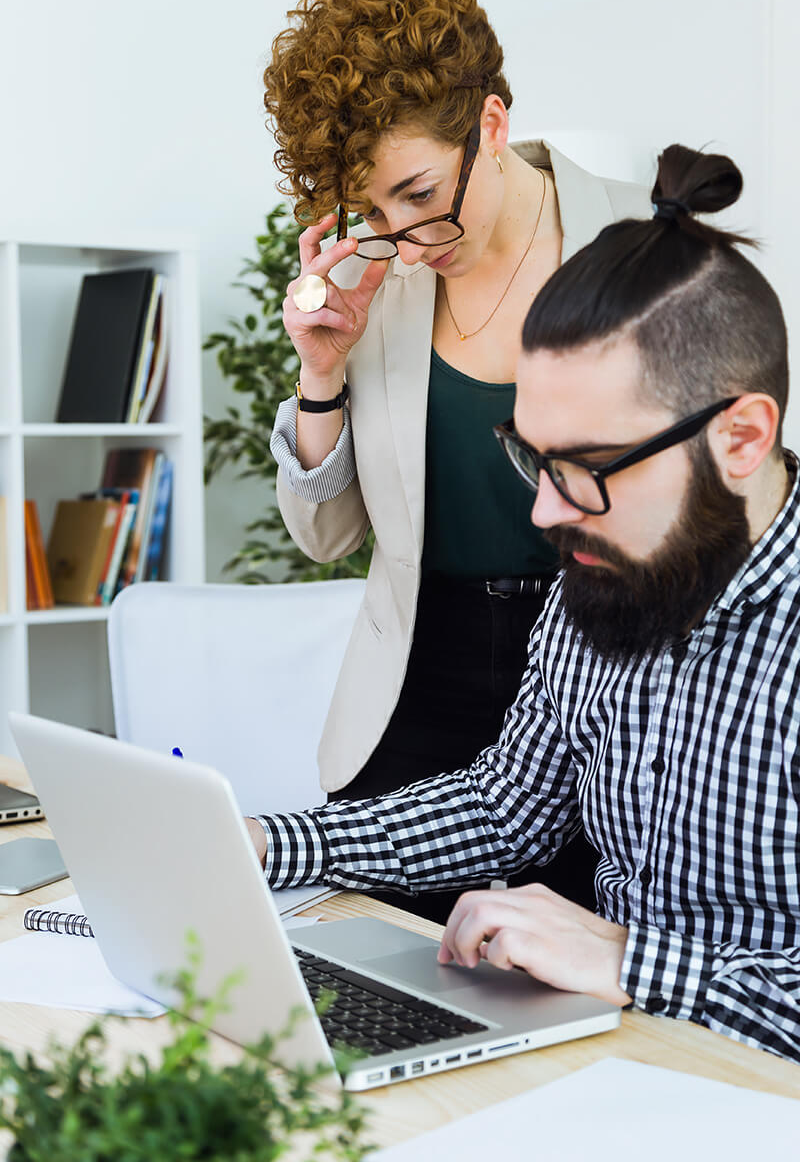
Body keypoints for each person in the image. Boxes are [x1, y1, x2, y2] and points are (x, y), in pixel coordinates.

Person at [248, 141, 800, 1064]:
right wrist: (264, 844)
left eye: (584, 470)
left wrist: (634, 960)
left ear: (741, 438)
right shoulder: (607, 574)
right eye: (532, 456)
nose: (543, 511)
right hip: (616, 1065)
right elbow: (507, 805)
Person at [265, 0, 651, 920]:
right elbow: (324, 539)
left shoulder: (643, 241)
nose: (405, 234)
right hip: (414, 688)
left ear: (489, 124)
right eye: (374, 210)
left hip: (595, 686)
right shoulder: (378, 281)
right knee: (367, 992)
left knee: (564, 1006)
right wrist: (323, 371)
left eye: (419, 192)